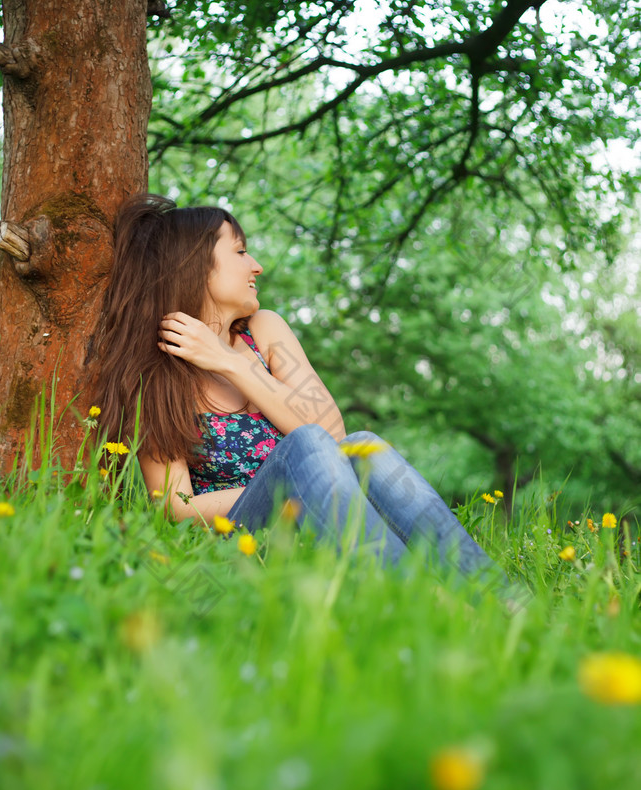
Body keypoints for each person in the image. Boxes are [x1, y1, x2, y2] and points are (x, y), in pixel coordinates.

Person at [96, 194, 511, 587]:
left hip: (320, 522)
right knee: (304, 446)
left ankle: (507, 604)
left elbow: (335, 440)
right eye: (240, 252)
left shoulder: (265, 332)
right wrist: (291, 485)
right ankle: (423, 602)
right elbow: (175, 509)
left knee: (365, 447)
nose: (256, 266)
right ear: (195, 265)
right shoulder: (156, 373)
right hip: (238, 540)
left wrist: (231, 363)